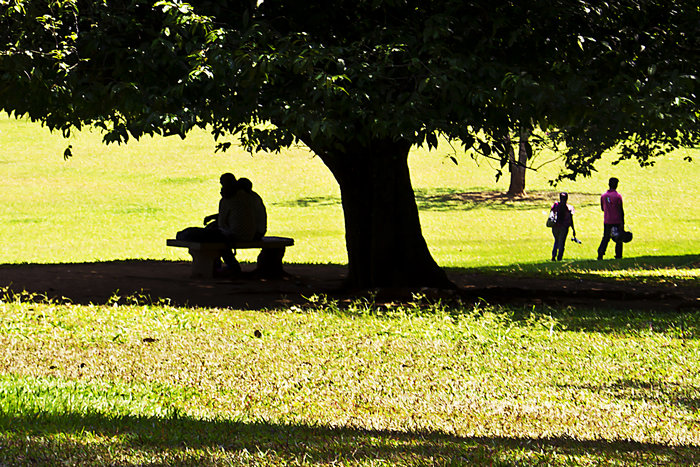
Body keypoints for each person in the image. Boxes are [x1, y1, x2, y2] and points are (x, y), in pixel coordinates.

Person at [597, 177, 624, 260]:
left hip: (607, 220)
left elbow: (602, 208)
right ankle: (618, 255)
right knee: (619, 238)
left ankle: (600, 253)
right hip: (617, 220)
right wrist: (622, 222)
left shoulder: (603, 196)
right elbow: (621, 210)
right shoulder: (618, 196)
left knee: (606, 237)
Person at [550, 192, 576, 261]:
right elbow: (571, 220)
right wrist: (573, 229)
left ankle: (553, 255)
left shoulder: (555, 205)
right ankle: (559, 257)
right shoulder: (569, 208)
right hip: (564, 227)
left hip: (555, 226)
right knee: (562, 242)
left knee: (557, 240)